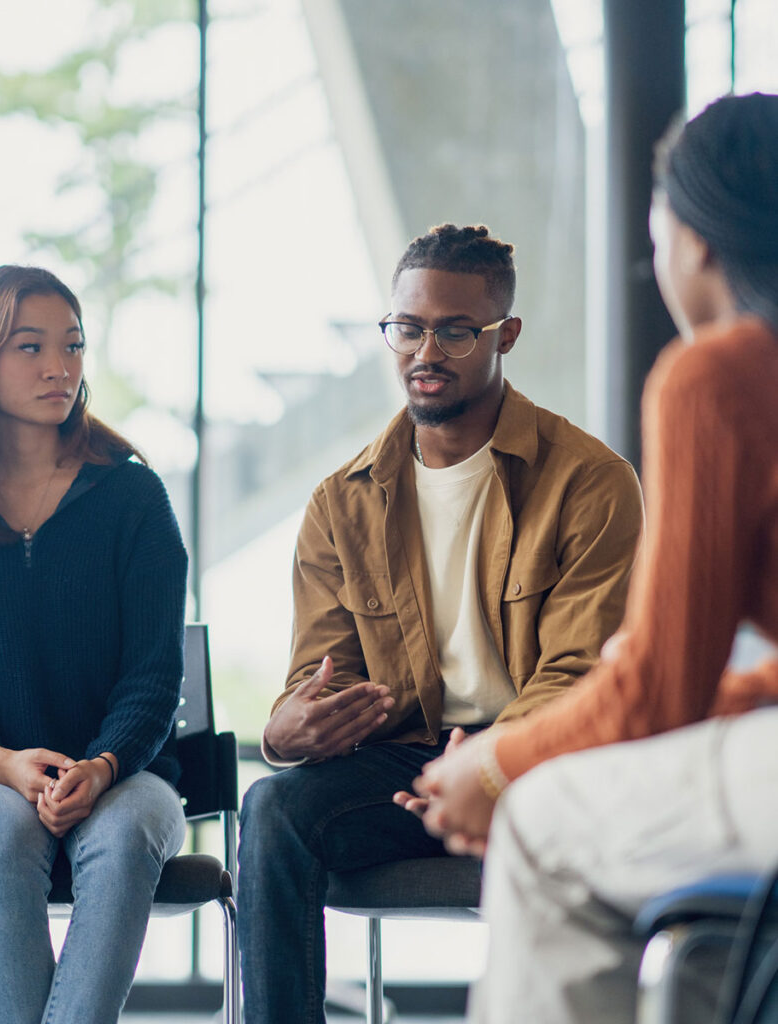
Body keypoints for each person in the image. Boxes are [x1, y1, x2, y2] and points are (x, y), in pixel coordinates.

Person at [407, 93, 778, 1024]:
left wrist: (497, 768)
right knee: (701, 955)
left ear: (691, 240)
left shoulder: (719, 375)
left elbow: (658, 686)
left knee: (541, 828)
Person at [237, 223, 644, 1023]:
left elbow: (579, 672)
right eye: (407, 327)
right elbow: (318, 678)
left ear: (505, 335)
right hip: (403, 766)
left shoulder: (589, 482)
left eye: (456, 330)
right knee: (273, 808)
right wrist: (293, 730)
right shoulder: (341, 500)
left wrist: (486, 762)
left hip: (539, 763)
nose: (426, 351)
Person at [0, 265, 189, 1024]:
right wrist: (0, 762)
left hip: (127, 772)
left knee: (126, 835)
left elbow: (156, 675)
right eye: (30, 347)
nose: (59, 367)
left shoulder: (131, 496)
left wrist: (100, 766)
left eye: (73, 345)